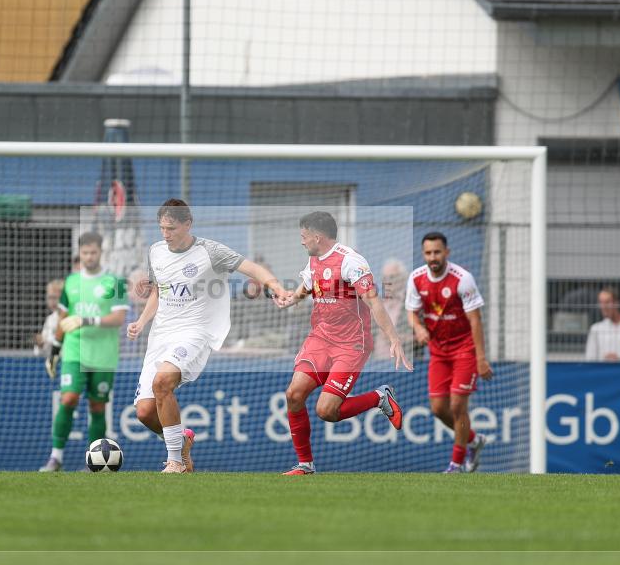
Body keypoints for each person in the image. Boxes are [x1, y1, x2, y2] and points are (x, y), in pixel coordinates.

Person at [127, 199, 288, 474]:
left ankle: (175, 461)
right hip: (160, 335)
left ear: (187, 224)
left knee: (162, 381)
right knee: (144, 412)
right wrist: (142, 321)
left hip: (195, 332)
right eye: (162, 228)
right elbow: (159, 291)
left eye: (171, 228)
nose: (166, 234)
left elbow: (252, 268)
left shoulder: (210, 251)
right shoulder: (155, 252)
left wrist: (276, 286)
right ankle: (183, 444)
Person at [276, 212, 413, 475]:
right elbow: (308, 284)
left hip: (351, 344)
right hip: (320, 338)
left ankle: (379, 397)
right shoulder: (314, 259)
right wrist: (291, 299)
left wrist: (394, 338)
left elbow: (373, 300)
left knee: (326, 411)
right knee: (293, 394)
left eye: (304, 237)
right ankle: (305, 464)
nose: (301, 242)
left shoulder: (351, 261)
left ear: (317, 237)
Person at [40, 232, 129, 472]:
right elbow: (63, 317)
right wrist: (55, 350)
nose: (89, 257)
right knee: (68, 398)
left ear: (101, 252)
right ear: (81, 254)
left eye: (93, 252)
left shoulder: (116, 282)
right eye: (85, 253)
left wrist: (86, 320)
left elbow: (119, 318)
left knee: (97, 407)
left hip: (103, 355)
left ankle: (93, 462)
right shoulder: (71, 282)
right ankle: (55, 457)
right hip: (74, 351)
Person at [406, 232, 491, 473]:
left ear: (447, 253)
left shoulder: (463, 279)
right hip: (438, 351)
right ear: (424, 254)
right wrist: (419, 328)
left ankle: (456, 464)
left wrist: (481, 358)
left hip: (464, 349)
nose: (433, 257)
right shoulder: (416, 278)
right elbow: (411, 312)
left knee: (457, 407)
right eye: (428, 253)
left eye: (437, 252)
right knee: (437, 409)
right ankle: (474, 440)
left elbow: (476, 321)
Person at [373, 258, 409, 359]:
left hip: (404, 363)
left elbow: (421, 338)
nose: (388, 282)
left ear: (403, 278)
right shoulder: (376, 304)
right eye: (385, 278)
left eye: (392, 277)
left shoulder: (411, 303)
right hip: (376, 364)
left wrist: (393, 337)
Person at [33, 279, 64, 358]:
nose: (52, 301)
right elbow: (38, 353)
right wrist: (40, 344)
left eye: (55, 298)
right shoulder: (50, 320)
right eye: (49, 298)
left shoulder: (73, 317)